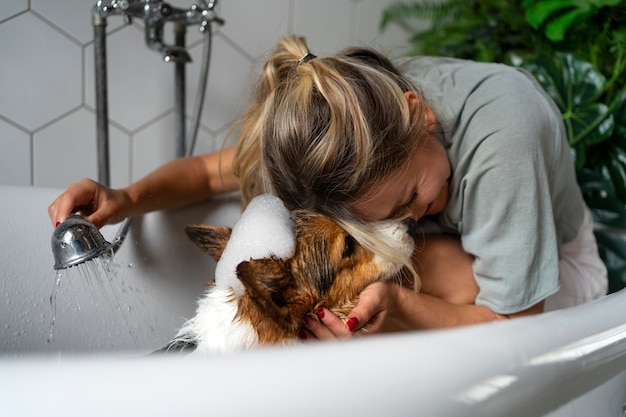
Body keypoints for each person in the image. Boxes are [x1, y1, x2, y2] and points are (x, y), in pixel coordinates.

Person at [48, 35, 608, 341]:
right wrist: (128, 198)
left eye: (411, 198)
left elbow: (514, 329)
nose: (411, 217)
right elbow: (210, 173)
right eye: (389, 214)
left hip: (549, 280)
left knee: (383, 275)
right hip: (462, 271)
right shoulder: (337, 131)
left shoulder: (500, 138)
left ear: (419, 114)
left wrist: (399, 306)